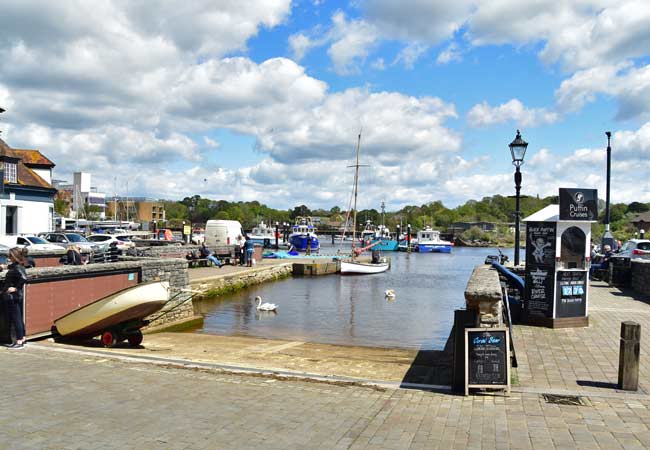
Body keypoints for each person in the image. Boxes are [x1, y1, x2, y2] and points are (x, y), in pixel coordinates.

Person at [1, 247, 28, 349]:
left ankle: (19, 341)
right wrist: (4, 267)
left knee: (16, 319)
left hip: (13, 297)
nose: (8, 257)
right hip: (17, 296)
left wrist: (15, 288)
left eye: (10, 256)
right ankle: (22, 338)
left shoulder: (17, 267)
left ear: (14, 256)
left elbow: (24, 278)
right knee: (19, 318)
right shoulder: (17, 266)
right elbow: (11, 268)